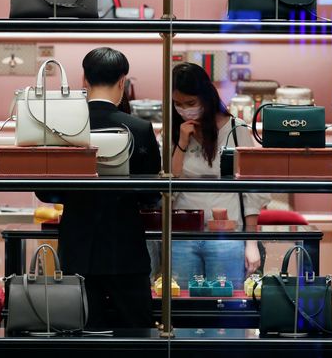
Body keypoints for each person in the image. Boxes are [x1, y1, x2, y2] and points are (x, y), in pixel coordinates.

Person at [36, 47, 161, 330]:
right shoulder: (140, 129)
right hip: (126, 250)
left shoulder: (62, 127)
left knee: (81, 336)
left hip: (77, 249)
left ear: (84, 79)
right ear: (122, 82)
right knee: (137, 336)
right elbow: (152, 195)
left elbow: (45, 192)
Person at [170, 62, 270, 287]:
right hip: (183, 235)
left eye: (190, 103)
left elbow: (251, 192)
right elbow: (169, 183)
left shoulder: (236, 129)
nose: (184, 109)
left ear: (206, 97)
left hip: (227, 236)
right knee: (184, 310)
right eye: (178, 104)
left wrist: (251, 242)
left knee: (226, 308)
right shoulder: (174, 132)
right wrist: (182, 143)